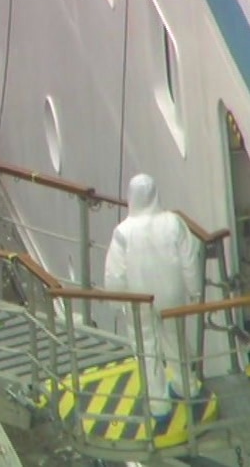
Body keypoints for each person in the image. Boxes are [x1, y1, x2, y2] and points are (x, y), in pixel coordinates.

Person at [104, 173, 202, 420]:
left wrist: (117, 302)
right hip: (172, 297)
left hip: (141, 301)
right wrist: (194, 290)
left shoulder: (123, 231)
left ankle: (159, 405)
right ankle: (186, 387)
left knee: (147, 348)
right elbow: (189, 260)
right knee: (176, 341)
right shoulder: (174, 222)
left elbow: (115, 273)